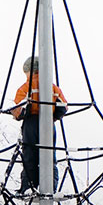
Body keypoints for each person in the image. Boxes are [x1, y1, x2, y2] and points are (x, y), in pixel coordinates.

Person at [11, 55, 67, 193]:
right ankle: (50, 186)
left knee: (29, 155)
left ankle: (29, 186)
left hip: (31, 123)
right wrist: (54, 116)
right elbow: (63, 106)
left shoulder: (25, 88)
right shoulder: (53, 88)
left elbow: (20, 109)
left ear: (29, 71)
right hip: (48, 122)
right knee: (49, 155)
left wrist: (18, 114)